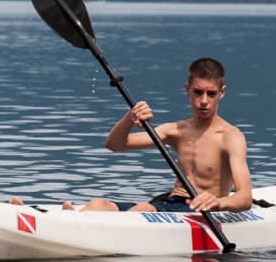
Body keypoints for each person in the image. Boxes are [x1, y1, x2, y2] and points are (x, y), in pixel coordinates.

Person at [48, 57, 252, 213]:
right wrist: (130, 117)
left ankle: (76, 226)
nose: (204, 100)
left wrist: (219, 202)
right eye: (198, 92)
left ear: (222, 93)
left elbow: (245, 198)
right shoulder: (176, 131)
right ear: (187, 90)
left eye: (211, 93)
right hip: (169, 203)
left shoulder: (231, 137)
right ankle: (68, 221)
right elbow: (115, 144)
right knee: (98, 204)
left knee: (143, 210)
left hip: (202, 211)